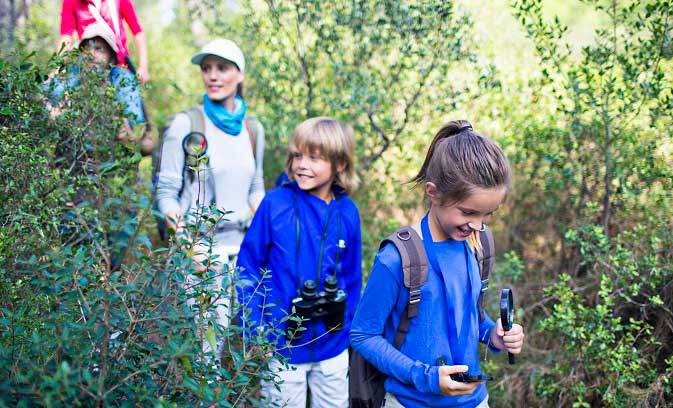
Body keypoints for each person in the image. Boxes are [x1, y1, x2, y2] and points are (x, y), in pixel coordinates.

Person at [350, 120, 525, 408]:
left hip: (474, 401)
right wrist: (426, 377)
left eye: (488, 214)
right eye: (468, 212)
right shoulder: (398, 257)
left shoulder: (479, 244)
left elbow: (470, 319)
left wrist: (494, 335)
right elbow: (363, 335)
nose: (477, 224)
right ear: (433, 192)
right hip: (410, 402)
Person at [236, 117, 362, 407]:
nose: (302, 165)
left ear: (340, 164)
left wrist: (350, 329)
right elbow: (248, 268)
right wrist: (256, 329)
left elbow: (353, 277)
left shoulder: (348, 212)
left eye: (314, 158)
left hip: (333, 346)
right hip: (281, 345)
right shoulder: (275, 204)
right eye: (297, 155)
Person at [154, 39, 265, 352]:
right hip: (201, 250)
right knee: (206, 346)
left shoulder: (253, 129)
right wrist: (189, 247)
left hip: (243, 251)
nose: (213, 76)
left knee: (237, 342)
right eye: (207, 69)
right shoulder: (185, 124)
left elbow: (255, 189)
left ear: (240, 75)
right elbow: (166, 195)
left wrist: (266, 236)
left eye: (223, 68)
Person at [46, 23, 145, 142]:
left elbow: (137, 126)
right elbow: (49, 95)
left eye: (99, 49)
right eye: (87, 49)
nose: (91, 55)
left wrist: (128, 133)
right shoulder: (74, 75)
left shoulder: (123, 79)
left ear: (111, 56)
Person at [59, 0, 150, 85]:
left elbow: (137, 31)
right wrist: (57, 69)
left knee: (130, 97)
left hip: (118, 66)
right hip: (86, 65)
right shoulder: (71, 1)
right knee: (57, 89)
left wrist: (143, 67)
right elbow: (66, 37)